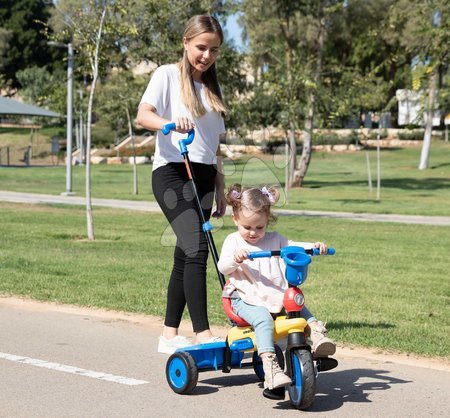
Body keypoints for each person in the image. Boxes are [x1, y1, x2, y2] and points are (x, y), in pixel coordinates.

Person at [136, 15, 227, 354]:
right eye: (201, 47)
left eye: (214, 50)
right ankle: (203, 335)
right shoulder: (167, 75)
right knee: (197, 249)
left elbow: (215, 148)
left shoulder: (213, 89)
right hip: (172, 172)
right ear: (186, 42)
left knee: (183, 255)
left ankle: (168, 335)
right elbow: (143, 115)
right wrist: (170, 123)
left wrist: (220, 188)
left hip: (203, 176)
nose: (206, 55)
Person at [217, 183, 336, 390]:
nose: (253, 233)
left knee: (295, 303)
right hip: (243, 298)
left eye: (259, 227)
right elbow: (223, 267)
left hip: (272, 295)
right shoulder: (233, 241)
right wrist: (236, 259)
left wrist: (314, 247)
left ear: (267, 221)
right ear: (235, 219)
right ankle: (271, 368)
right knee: (263, 320)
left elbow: (294, 245)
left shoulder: (275, 240)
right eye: (247, 227)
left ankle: (316, 334)